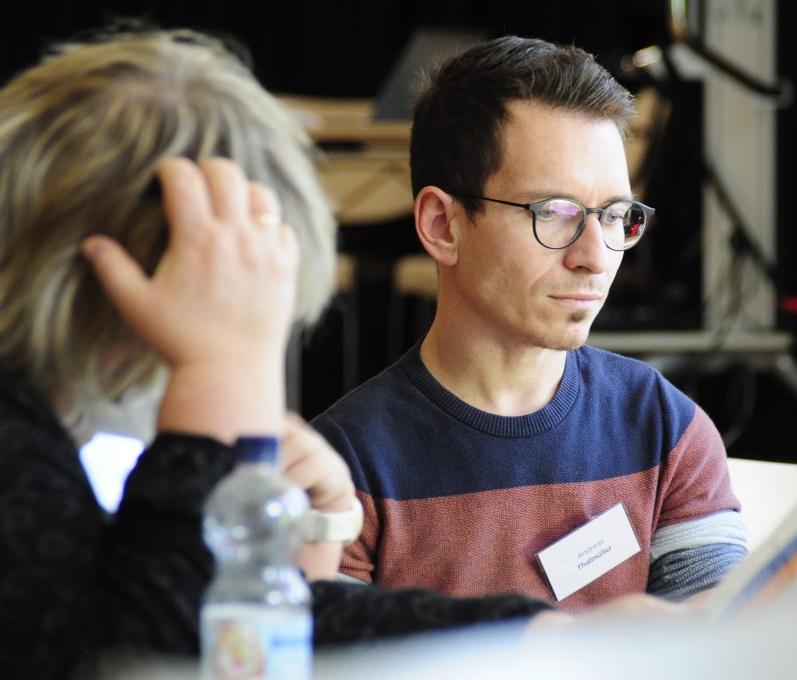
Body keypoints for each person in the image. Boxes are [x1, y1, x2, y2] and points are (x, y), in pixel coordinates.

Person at [0, 24, 696, 680]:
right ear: (117, 270)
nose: (594, 256)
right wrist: (219, 373)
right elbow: (148, 653)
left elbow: (148, 604)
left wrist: (538, 640)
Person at [310, 35, 749, 610]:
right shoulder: (342, 469)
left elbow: (724, 639)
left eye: (615, 215)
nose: (595, 257)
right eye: (556, 213)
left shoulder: (664, 429)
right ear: (442, 225)